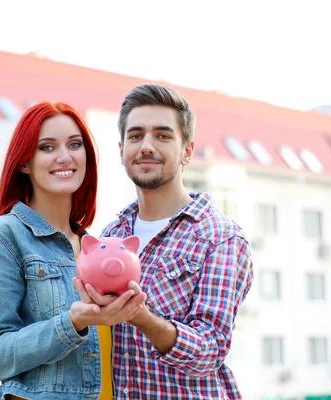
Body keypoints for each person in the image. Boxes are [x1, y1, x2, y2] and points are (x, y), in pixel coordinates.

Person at [74, 84, 254, 399]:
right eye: (136, 136)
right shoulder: (110, 235)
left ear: (187, 151)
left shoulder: (220, 236)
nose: (146, 146)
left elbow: (209, 350)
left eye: (162, 135)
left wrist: (140, 316)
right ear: (121, 151)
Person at [0, 102, 144, 399]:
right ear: (24, 163)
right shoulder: (3, 237)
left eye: (74, 144)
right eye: (47, 147)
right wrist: (73, 323)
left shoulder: (95, 246)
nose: (65, 157)